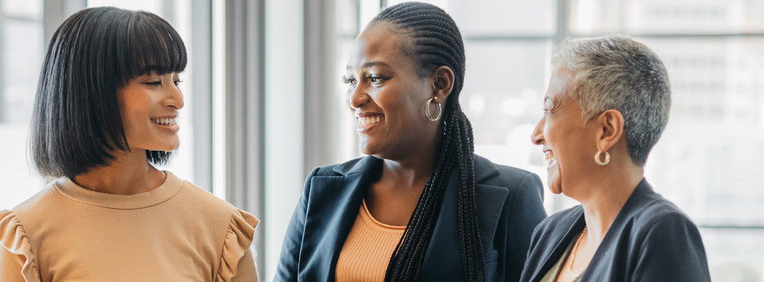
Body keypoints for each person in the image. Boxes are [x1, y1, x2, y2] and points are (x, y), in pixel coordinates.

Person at [275, 2, 547, 282]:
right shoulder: (321, 190)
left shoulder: (511, 196)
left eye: (375, 78)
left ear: (439, 84)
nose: (355, 99)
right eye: (350, 80)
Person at [0, 7, 258, 282]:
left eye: (176, 80)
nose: (178, 99)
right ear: (92, 93)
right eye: (153, 81)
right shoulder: (26, 237)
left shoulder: (221, 228)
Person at [521, 34, 711, 282]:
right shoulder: (549, 233)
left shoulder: (662, 233)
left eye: (549, 110)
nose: (536, 135)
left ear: (607, 131)